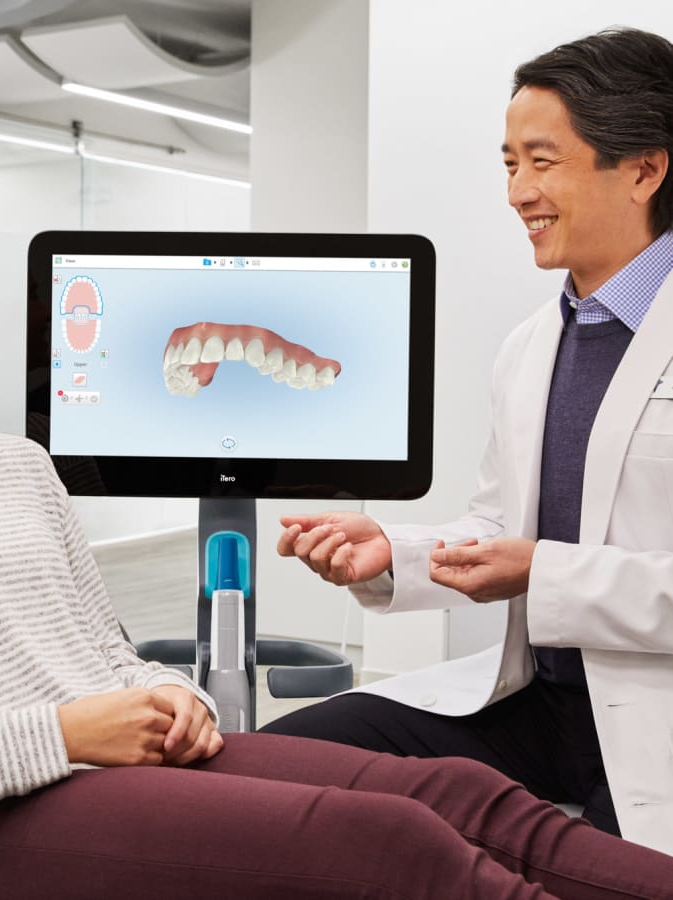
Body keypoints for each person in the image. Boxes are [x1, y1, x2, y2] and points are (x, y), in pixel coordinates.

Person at [0, 187, 673, 900]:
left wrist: (170, 695)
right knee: (394, 846)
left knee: (463, 796)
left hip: (113, 758)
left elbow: (102, 653)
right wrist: (65, 731)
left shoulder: (16, 465)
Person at [263, 26, 673, 857]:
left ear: (643, 168)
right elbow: (498, 526)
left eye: (541, 161)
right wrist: (396, 552)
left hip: (653, 721)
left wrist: (542, 570)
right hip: (539, 704)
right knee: (275, 762)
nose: (518, 191)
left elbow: (534, 559)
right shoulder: (533, 345)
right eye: (509, 164)